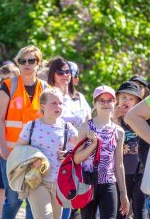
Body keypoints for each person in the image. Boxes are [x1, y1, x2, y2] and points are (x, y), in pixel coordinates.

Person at [0, 45, 49, 219]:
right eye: (22, 61)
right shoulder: (8, 86)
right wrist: (3, 149)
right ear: (18, 63)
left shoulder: (45, 88)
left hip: (37, 155)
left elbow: (49, 121)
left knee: (34, 200)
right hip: (12, 153)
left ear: (38, 63)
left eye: (31, 61)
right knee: (13, 200)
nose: (27, 64)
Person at [16, 87, 78, 219]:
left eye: (60, 103)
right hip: (37, 181)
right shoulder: (31, 126)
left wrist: (69, 155)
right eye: (54, 103)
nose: (58, 106)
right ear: (42, 106)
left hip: (60, 182)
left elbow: (83, 149)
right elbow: (18, 150)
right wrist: (33, 159)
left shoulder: (67, 127)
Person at [73, 85, 129, 219]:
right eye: (101, 100)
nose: (106, 103)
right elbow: (77, 158)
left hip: (109, 184)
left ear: (114, 103)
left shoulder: (119, 131)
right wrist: (93, 145)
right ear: (94, 103)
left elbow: (119, 165)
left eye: (109, 100)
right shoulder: (86, 127)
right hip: (88, 182)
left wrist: (123, 194)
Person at [48, 58, 91, 219]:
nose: (65, 75)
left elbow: (88, 126)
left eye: (68, 72)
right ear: (53, 74)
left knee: (67, 199)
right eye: (61, 72)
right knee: (44, 207)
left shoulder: (79, 98)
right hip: (51, 156)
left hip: (74, 159)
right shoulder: (47, 96)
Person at [0, 63, 20, 219]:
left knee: (18, 193)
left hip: (20, 150)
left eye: (10, 80)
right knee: (2, 189)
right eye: (2, 81)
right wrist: (1, 103)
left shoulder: (22, 99)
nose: (5, 84)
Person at [112, 81, 148, 219]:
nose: (127, 101)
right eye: (123, 97)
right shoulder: (113, 119)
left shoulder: (141, 119)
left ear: (137, 103)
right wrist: (114, 118)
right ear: (117, 99)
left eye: (131, 99)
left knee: (141, 212)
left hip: (140, 173)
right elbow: (113, 142)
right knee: (119, 213)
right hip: (120, 175)